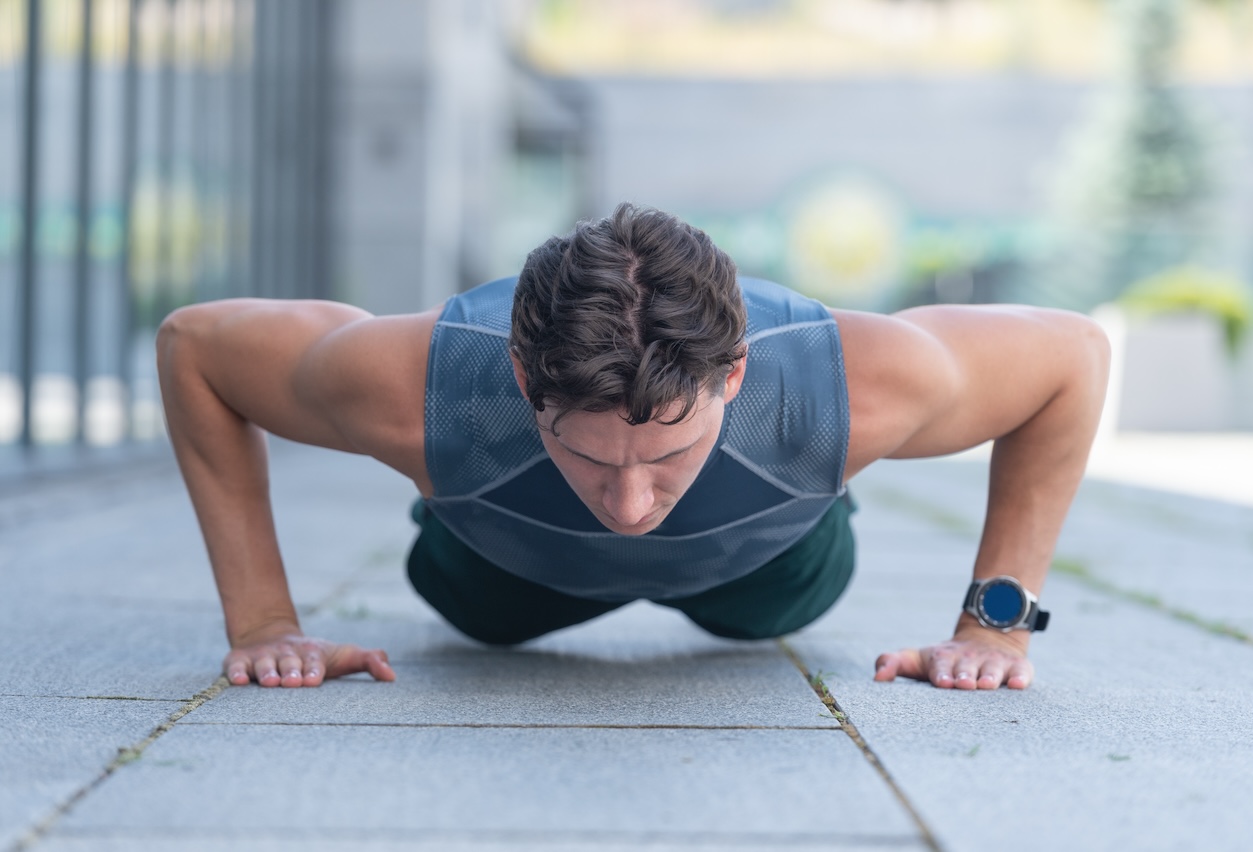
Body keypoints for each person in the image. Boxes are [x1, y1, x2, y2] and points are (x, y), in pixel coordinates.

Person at [157, 203, 1109, 692]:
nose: (629, 508)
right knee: (474, 586)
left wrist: (994, 626)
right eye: (590, 457)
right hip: (496, 582)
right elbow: (195, 347)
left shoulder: (860, 378)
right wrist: (266, 627)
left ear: (731, 378)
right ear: (528, 385)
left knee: (768, 596)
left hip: (770, 580)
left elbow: (1073, 356)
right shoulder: (411, 383)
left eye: (667, 458)